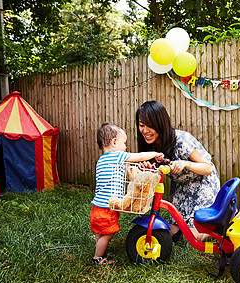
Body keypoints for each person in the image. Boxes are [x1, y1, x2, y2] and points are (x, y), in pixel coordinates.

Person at [136, 101, 220, 242]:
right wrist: (148, 169)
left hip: (202, 184)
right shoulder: (150, 145)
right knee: (172, 232)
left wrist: (185, 163)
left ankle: (219, 226)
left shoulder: (182, 140)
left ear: (160, 123)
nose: (145, 131)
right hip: (182, 186)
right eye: (141, 125)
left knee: (193, 237)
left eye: (149, 125)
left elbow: (208, 168)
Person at [90, 122, 164, 265]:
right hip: (107, 207)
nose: (126, 147)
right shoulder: (116, 156)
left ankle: (99, 252)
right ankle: (97, 258)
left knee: (100, 232)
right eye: (124, 143)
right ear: (114, 142)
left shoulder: (102, 160)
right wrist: (154, 154)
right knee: (108, 233)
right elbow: (139, 156)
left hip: (98, 207)